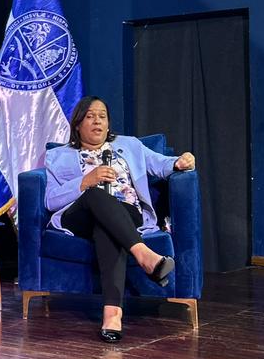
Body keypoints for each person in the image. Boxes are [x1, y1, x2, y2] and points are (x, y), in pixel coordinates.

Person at [45, 95, 196, 342]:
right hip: (79, 215)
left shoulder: (130, 146)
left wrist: (181, 161)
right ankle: (144, 254)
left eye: (102, 116)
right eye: (90, 116)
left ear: (108, 124)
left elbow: (162, 164)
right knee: (96, 194)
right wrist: (86, 181)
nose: (97, 121)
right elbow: (51, 200)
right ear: (78, 125)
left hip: (126, 213)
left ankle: (112, 314)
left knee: (106, 229)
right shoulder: (58, 156)